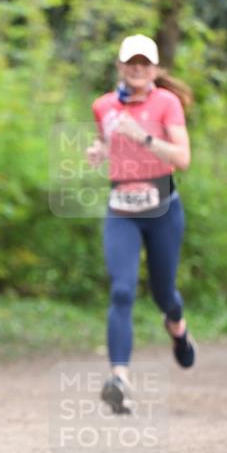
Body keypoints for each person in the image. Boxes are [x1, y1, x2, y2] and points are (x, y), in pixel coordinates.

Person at [86, 34, 196, 413]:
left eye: (144, 63)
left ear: (155, 68)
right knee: (121, 290)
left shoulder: (168, 103)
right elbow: (108, 141)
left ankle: (178, 329)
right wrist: (99, 151)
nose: (137, 68)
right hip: (122, 209)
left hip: (163, 208)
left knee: (164, 294)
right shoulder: (103, 106)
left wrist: (145, 137)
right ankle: (120, 379)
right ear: (119, 66)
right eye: (130, 62)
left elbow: (182, 158)